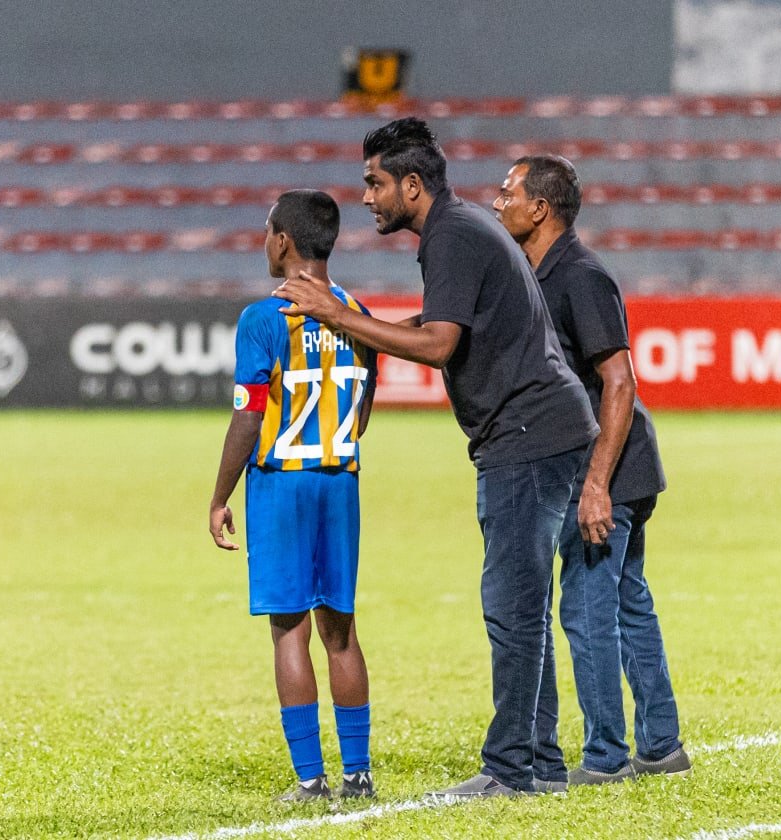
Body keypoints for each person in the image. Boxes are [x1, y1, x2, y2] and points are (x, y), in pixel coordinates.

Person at [274, 118, 598, 800]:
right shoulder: (461, 228)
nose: (367, 198)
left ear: (412, 185)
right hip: (543, 428)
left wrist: (336, 316)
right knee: (525, 604)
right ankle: (538, 762)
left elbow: (439, 345)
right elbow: (432, 326)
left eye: (375, 183)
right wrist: (357, 326)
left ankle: (509, 770)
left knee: (511, 608)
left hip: (527, 434)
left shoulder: (451, 236)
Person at [493, 155, 690, 783]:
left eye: (508, 192)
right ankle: (660, 746)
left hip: (609, 466)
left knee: (585, 610)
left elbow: (619, 382)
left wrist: (597, 485)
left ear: (540, 209)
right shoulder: (538, 273)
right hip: (612, 463)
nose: (497, 202)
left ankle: (606, 756)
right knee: (627, 602)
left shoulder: (579, 276)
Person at [208, 190, 378, 802]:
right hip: (341, 482)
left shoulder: (263, 320)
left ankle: (310, 778)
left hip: (282, 484)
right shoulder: (357, 313)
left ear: (282, 242)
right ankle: (358, 773)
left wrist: (219, 496)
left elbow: (249, 415)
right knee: (341, 629)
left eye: (266, 231)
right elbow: (362, 412)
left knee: (289, 630)